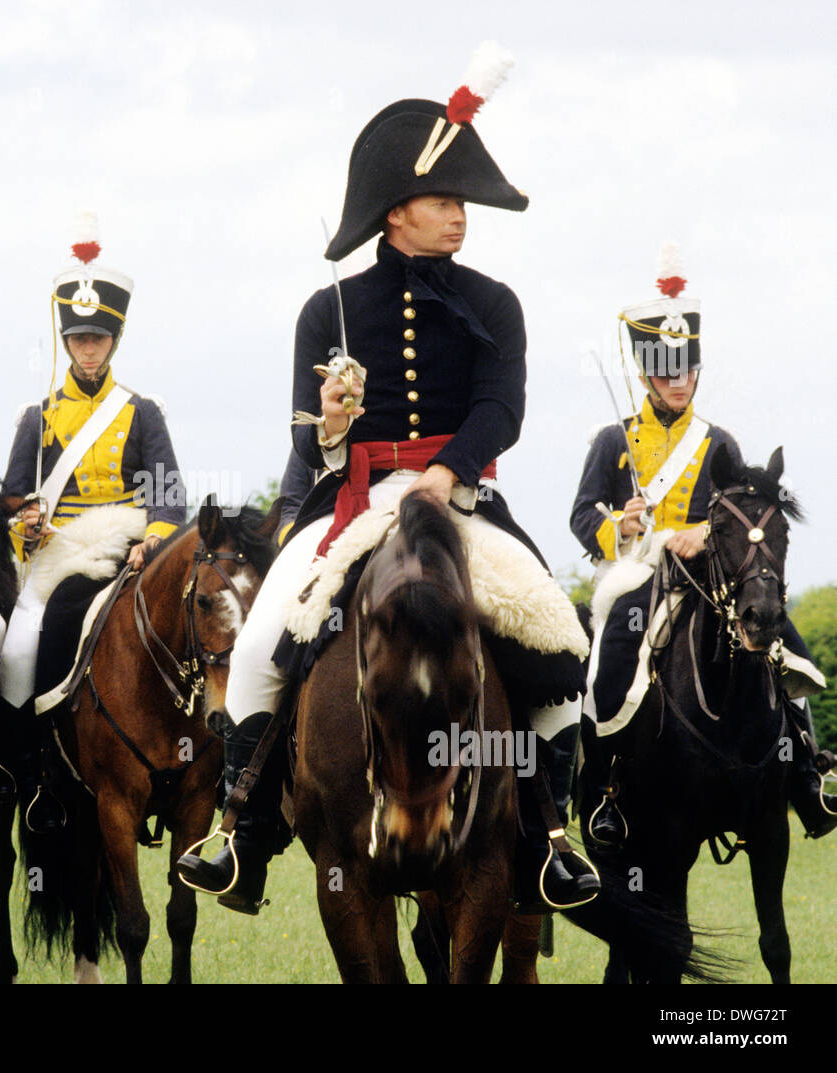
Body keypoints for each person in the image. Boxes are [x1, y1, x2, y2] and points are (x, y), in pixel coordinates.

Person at [177, 48, 599, 916]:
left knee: (560, 634)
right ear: (398, 211)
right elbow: (308, 438)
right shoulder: (325, 312)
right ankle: (242, 832)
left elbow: (501, 408)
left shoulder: (495, 303)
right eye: (447, 203)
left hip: (464, 502)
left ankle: (551, 836)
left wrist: (446, 474)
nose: (461, 218)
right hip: (357, 506)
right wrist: (333, 423)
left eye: (462, 204)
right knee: (260, 641)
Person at [572, 246, 834, 846]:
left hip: (709, 573)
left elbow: (737, 514)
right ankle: (604, 790)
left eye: (686, 371)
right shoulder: (613, 439)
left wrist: (706, 535)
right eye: (665, 373)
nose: (678, 382)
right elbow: (582, 516)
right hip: (638, 575)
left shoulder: (717, 439)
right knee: (608, 664)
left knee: (781, 646)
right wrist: (625, 526)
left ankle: (808, 776)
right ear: (645, 375)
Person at [0, 217, 186, 829]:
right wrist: (28, 521)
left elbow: (168, 498)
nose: (88, 348)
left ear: (113, 341)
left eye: (98, 339)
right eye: (78, 339)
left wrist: (152, 543)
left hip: (127, 545)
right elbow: (13, 496)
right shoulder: (39, 416)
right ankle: (27, 762)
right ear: (67, 343)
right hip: (58, 552)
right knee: (17, 644)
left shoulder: (142, 411)